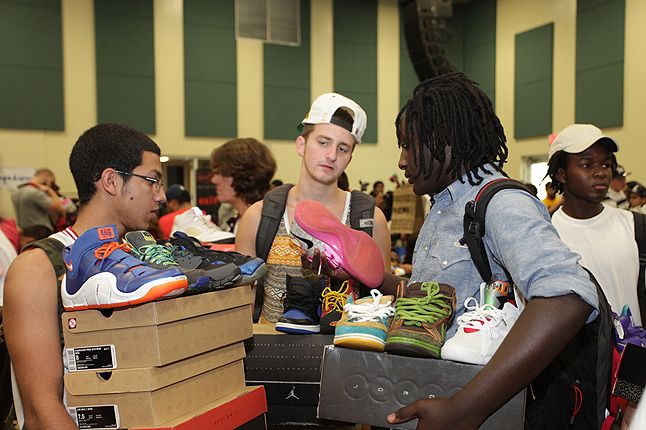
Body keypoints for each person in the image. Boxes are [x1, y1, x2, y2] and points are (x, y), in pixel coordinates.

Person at [385, 73, 599, 429]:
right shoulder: (445, 205)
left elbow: (567, 296)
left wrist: (463, 410)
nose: (402, 161)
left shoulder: (502, 203)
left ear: (444, 139)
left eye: (408, 145)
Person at [3, 123, 168, 429]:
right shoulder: (38, 268)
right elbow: (41, 412)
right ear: (111, 181)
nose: (161, 196)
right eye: (152, 181)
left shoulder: (143, 260)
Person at [235, 93, 392, 323]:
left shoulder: (370, 219)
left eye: (343, 148)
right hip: (270, 344)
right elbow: (240, 306)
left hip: (346, 343)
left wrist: (354, 274)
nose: (331, 155)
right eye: (323, 142)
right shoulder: (259, 216)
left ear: (350, 158)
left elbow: (384, 300)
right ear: (301, 145)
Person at [547, 124, 642, 325]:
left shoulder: (636, 227)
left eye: (606, 165)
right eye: (587, 165)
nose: (600, 173)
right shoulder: (547, 234)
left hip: (634, 344)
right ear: (561, 174)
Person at [210, 138, 277, 234]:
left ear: (242, 175)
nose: (214, 180)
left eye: (220, 173)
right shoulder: (238, 220)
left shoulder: (264, 225)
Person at [11, 168, 65, 232]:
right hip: (40, 232)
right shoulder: (36, 192)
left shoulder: (16, 192)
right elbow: (60, 208)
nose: (51, 184)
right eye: (51, 181)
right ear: (46, 176)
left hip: (24, 232)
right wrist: (50, 190)